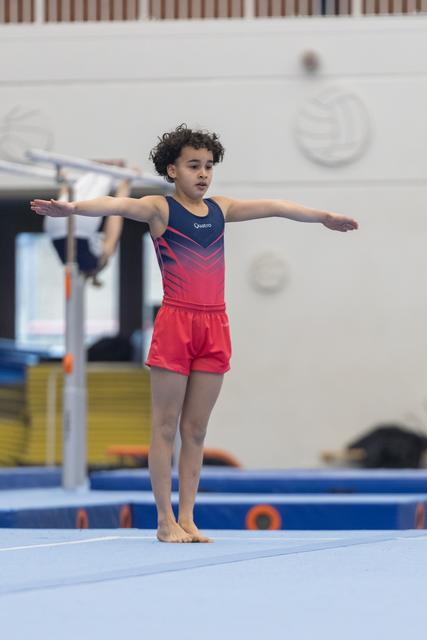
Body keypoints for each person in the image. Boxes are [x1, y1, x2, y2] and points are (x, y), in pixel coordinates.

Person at [31, 124, 358, 544]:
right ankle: (164, 521)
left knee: (197, 430)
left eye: (208, 166)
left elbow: (275, 205)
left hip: (215, 325)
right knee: (165, 425)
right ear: (172, 169)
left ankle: (187, 517)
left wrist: (323, 217)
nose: (202, 174)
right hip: (176, 323)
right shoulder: (159, 209)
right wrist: (74, 209)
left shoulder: (221, 209)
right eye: (193, 166)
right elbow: (116, 203)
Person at [44, 168, 131, 282]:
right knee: (75, 193)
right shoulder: (67, 264)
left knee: (102, 182)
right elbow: (63, 206)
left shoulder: (99, 260)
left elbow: (115, 220)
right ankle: (72, 179)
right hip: (53, 225)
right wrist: (64, 185)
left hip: (81, 226)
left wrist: (124, 188)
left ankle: (107, 169)